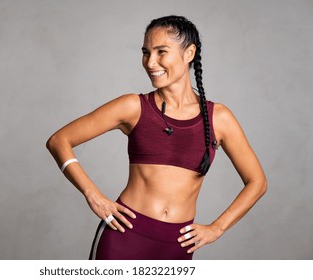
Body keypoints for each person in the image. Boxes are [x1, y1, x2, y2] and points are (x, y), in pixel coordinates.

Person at [46, 15, 266, 260]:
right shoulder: (133, 107)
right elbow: (59, 140)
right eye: (146, 52)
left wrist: (218, 227)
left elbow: (257, 182)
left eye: (161, 52)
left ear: (189, 53)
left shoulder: (219, 118)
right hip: (125, 237)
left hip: (177, 246)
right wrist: (93, 195)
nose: (151, 63)